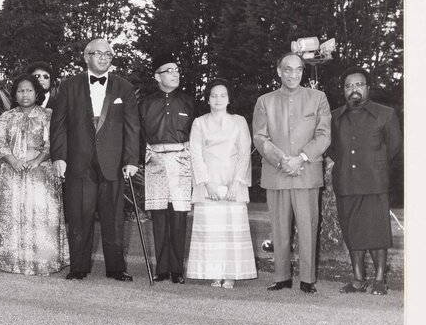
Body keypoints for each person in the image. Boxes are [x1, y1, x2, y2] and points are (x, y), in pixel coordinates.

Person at [50, 37, 140, 281]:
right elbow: (58, 125)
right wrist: (58, 156)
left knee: (114, 219)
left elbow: (132, 127)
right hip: (78, 161)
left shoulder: (125, 87)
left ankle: (116, 268)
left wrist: (131, 159)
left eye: (108, 54)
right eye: (98, 53)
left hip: (113, 163)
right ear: (86, 56)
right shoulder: (69, 86)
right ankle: (78, 267)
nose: (103, 58)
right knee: (79, 215)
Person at [253, 53, 331, 294]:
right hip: (277, 175)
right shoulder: (264, 101)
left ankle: (307, 279)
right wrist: (281, 160)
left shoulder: (318, 98)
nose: (293, 74)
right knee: (279, 228)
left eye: (298, 70)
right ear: (279, 71)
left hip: (306, 173)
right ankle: (282, 277)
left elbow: (324, 135)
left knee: (308, 227)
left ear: (303, 72)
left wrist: (301, 158)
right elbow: (259, 137)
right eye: (288, 69)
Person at [327, 67, 402, 295]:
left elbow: (395, 148)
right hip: (346, 183)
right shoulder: (335, 117)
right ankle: (358, 279)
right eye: (349, 86)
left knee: (377, 231)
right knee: (353, 231)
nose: (354, 90)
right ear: (344, 91)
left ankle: (380, 280)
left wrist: (373, 165)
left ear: (367, 87)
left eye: (358, 84)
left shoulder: (385, 114)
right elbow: (331, 149)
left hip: (374, 182)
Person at [0, 73, 67, 275]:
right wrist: (13, 160)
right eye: (20, 90)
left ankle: (44, 260)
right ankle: (13, 260)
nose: (25, 94)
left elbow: (56, 142)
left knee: (42, 215)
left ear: (37, 93)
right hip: (12, 173)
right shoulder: (6, 117)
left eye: (29, 90)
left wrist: (37, 160)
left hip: (41, 173)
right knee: (14, 214)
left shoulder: (48, 115)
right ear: (15, 94)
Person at [185, 79, 257, 288]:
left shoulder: (239, 121)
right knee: (212, 231)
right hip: (208, 183)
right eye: (214, 95)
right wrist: (207, 184)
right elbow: (196, 155)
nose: (218, 99)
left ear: (228, 98)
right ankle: (214, 272)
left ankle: (231, 273)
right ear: (208, 99)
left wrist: (237, 183)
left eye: (222, 95)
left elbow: (245, 153)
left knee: (232, 231)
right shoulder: (199, 122)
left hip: (234, 181)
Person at [137, 54, 196, 283]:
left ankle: (177, 269)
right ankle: (162, 268)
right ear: (157, 76)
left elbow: (195, 132)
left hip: (182, 161)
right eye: (169, 70)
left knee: (179, 216)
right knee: (159, 215)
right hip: (155, 161)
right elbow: (139, 134)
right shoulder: (146, 103)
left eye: (177, 70)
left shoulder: (188, 101)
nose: (175, 73)